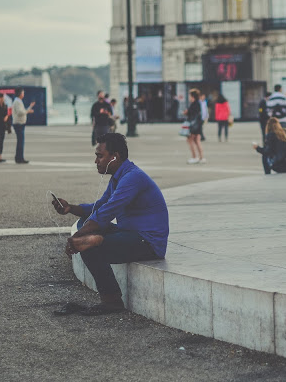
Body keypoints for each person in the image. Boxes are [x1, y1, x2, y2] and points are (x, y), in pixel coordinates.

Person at [51, 133, 169, 316]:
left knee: (89, 246)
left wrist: (77, 237)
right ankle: (96, 239)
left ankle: (112, 300)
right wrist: (70, 208)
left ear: (115, 156)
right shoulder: (119, 176)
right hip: (129, 234)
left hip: (148, 243)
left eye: (100, 156)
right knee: (86, 225)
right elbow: (100, 206)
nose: (96, 161)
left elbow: (108, 212)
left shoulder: (133, 178)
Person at [12, 88, 35, 164]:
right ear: (20, 93)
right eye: (22, 93)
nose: (23, 94)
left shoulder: (18, 101)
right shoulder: (17, 102)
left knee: (20, 142)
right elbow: (20, 112)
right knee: (20, 142)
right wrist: (28, 111)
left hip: (20, 124)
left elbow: (23, 111)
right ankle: (19, 158)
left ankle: (19, 157)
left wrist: (29, 107)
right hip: (19, 124)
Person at [183, 89, 205, 164]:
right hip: (198, 125)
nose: (189, 97)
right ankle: (201, 157)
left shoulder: (194, 104)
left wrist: (186, 112)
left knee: (190, 140)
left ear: (193, 96)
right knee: (197, 141)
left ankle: (194, 157)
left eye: (190, 96)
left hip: (193, 126)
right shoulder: (198, 103)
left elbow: (191, 114)